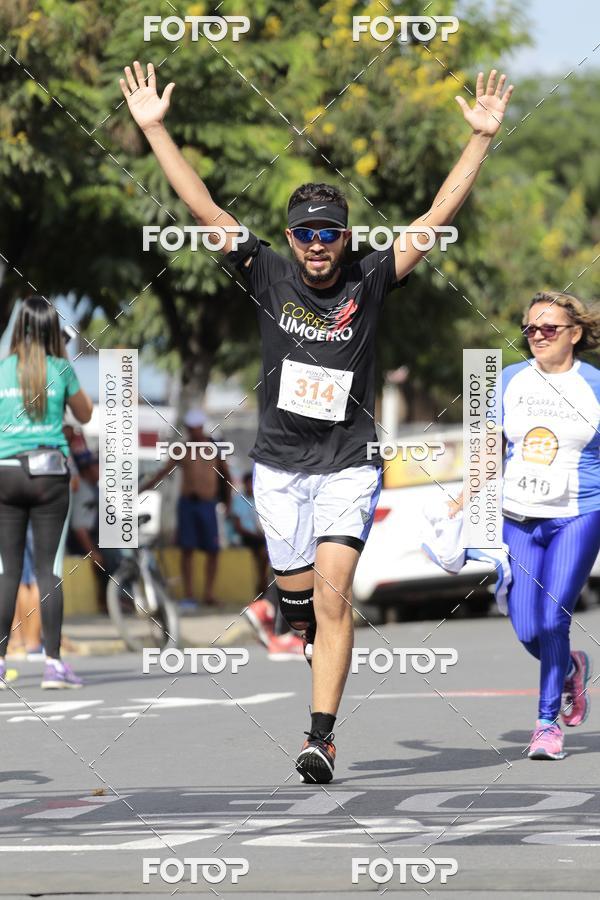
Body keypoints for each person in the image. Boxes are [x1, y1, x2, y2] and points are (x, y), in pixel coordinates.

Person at [121, 61, 513, 782]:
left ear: (346, 235)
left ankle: (320, 738)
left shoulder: (371, 276)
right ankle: (300, 623)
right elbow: (205, 209)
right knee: (299, 601)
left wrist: (480, 140)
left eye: (329, 232)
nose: (317, 244)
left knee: (333, 597)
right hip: (278, 468)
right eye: (305, 233)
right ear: (291, 237)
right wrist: (154, 130)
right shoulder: (267, 272)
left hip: (347, 464)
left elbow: (433, 219)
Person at [501, 291, 600, 760]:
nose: (537, 336)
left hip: (578, 513)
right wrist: (464, 499)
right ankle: (570, 668)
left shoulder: (594, 385)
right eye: (530, 329)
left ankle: (546, 725)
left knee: (552, 618)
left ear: (574, 334)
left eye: (549, 328)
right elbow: (486, 448)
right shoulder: (507, 379)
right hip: (518, 516)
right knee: (526, 627)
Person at [0, 296, 93, 688]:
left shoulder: (2, 368)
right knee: (47, 570)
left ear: (18, 328)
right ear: (53, 330)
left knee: (7, 571)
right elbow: (85, 413)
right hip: (49, 475)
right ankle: (53, 665)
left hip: (5, 473)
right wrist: (64, 360)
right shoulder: (60, 368)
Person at [144, 409, 231, 610]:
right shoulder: (182, 449)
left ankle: (209, 593)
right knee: (187, 549)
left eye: (196, 428)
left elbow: (226, 476)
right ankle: (189, 595)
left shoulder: (215, 448)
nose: (194, 432)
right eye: (191, 429)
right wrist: (143, 488)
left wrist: (229, 502)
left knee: (213, 550)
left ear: (202, 427)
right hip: (188, 504)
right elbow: (163, 472)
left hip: (208, 505)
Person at [67, 450, 122, 612]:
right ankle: (108, 601)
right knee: (110, 556)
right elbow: (79, 528)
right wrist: (92, 553)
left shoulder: (94, 488)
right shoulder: (83, 491)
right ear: (86, 469)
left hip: (97, 537)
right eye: (96, 465)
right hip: (83, 541)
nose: (100, 469)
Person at [230, 472, 269, 596]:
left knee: (264, 554)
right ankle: (262, 586)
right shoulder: (238, 500)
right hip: (246, 536)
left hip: (260, 535)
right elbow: (238, 527)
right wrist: (256, 535)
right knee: (263, 553)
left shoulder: (261, 499)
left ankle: (262, 584)